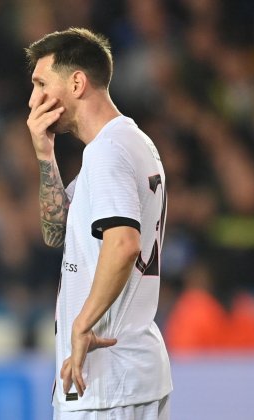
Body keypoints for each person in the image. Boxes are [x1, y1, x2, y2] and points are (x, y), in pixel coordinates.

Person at [25, 28, 172, 419]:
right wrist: (44, 155)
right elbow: (55, 232)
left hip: (109, 380)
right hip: (129, 376)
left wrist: (82, 322)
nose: (33, 99)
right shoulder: (127, 144)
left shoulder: (108, 151)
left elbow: (124, 244)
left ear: (77, 82)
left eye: (42, 83)